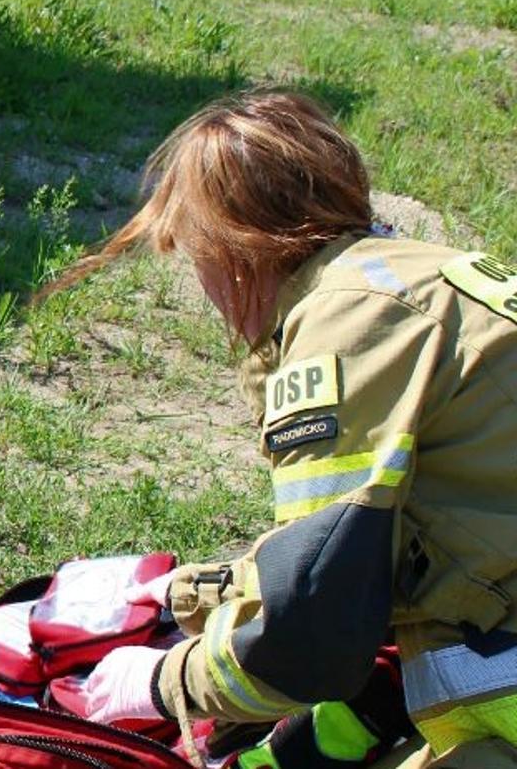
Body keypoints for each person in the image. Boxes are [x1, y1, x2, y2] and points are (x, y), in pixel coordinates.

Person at [43, 90, 517, 766]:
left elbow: (312, 634)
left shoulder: (345, 327)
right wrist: (189, 597)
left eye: (195, 254)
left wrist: (160, 683)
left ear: (236, 244)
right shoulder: (417, 274)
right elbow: (390, 554)